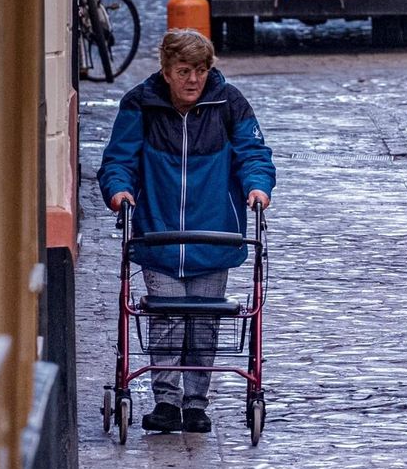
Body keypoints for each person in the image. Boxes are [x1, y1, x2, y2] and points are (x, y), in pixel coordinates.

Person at [99, 28, 276, 434]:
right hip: (157, 234)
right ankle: (166, 402)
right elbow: (119, 160)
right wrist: (118, 190)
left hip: (214, 235)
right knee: (167, 317)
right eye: (183, 71)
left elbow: (253, 154)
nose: (193, 79)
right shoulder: (140, 104)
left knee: (203, 321)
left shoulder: (229, 103)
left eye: (200, 70)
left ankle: (196, 404)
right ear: (165, 71)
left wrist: (257, 187)